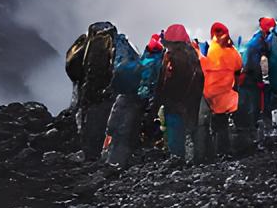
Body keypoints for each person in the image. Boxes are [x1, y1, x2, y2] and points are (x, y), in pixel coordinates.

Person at [63, 19, 120, 161]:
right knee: (100, 124)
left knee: (88, 122)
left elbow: (74, 70)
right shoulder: (115, 48)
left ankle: (89, 153)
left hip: (88, 92)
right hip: (102, 95)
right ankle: (97, 154)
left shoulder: (84, 46)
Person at [102, 31, 158, 166]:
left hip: (117, 132)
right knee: (126, 137)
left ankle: (111, 162)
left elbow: (112, 123)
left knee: (118, 139)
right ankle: (119, 164)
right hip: (132, 118)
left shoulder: (121, 98)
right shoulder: (150, 67)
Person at [157, 22, 205, 164]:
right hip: (190, 103)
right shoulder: (192, 54)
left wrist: (163, 99)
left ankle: (177, 160)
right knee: (190, 131)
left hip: (175, 103)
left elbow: (167, 83)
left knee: (176, 133)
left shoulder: (173, 58)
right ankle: (195, 159)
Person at [200, 21, 242, 158]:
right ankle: (227, 150)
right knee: (225, 122)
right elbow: (238, 65)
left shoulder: (213, 48)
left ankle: (220, 151)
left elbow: (208, 68)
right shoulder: (232, 49)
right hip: (228, 90)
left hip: (214, 92)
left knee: (218, 123)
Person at [238, 16, 276, 149]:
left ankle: (254, 134)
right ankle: (253, 138)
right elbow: (252, 64)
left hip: (249, 78)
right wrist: (259, 80)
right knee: (254, 108)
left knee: (254, 107)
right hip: (250, 80)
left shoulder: (257, 40)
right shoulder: (258, 43)